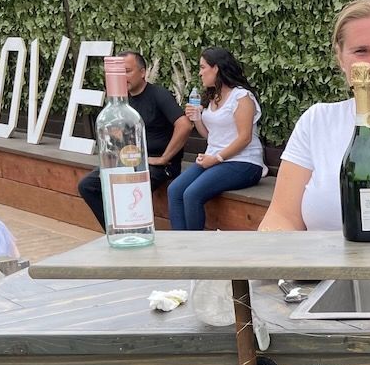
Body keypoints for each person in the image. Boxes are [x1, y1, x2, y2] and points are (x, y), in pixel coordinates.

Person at [77, 49, 190, 231]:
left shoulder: (159, 95)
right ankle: (117, 231)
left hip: (159, 166)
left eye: (127, 71)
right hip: (129, 160)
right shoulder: (121, 101)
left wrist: (163, 158)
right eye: (119, 72)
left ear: (143, 72)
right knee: (88, 185)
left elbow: (184, 125)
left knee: (126, 190)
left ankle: (130, 229)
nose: (123, 77)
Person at [167, 47, 267, 230]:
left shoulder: (242, 97)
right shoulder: (214, 97)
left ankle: (195, 249)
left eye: (203, 67)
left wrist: (217, 158)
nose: (200, 73)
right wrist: (197, 118)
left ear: (216, 68)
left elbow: (244, 138)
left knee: (192, 194)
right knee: (175, 190)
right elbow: (210, 136)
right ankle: (180, 246)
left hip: (243, 163)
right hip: (214, 159)